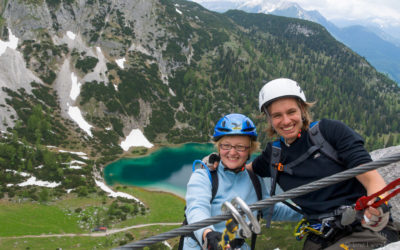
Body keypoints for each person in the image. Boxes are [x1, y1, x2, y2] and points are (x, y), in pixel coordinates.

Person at [249, 78, 398, 249]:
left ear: (302, 109)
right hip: (322, 236)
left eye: (291, 112)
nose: (286, 121)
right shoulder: (274, 154)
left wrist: (378, 206)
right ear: (268, 119)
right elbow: (246, 169)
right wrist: (213, 166)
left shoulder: (330, 132)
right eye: (277, 115)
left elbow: (371, 178)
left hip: (364, 230)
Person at [183, 113, 302, 250]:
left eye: (240, 147)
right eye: (226, 146)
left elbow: (270, 209)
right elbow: (197, 209)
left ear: (250, 149)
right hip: (203, 245)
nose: (232, 153)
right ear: (218, 147)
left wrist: (309, 211)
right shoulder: (204, 176)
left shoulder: (254, 179)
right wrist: (208, 235)